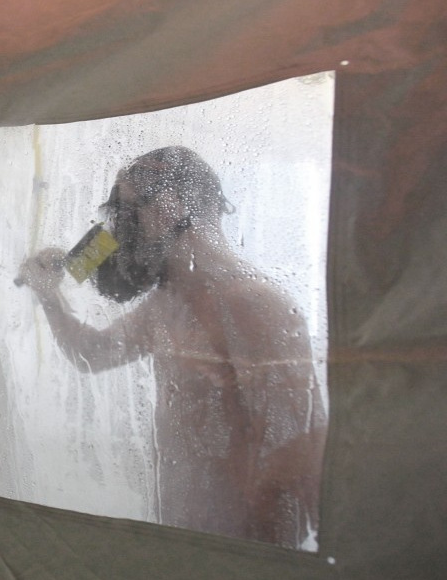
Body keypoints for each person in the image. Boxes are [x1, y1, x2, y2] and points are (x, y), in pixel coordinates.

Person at [18, 146, 327, 548]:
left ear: (172, 205)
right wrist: (49, 296)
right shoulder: (168, 304)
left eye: (127, 214)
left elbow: (302, 451)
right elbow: (92, 355)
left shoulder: (254, 306)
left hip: (247, 552)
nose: (116, 234)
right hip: (181, 540)